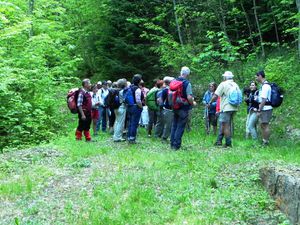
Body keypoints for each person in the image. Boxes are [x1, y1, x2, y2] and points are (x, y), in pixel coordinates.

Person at [208, 71, 240, 147]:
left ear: (225, 77)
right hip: (234, 107)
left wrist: (210, 102)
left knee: (226, 125)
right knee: (223, 124)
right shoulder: (235, 84)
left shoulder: (223, 84)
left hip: (226, 107)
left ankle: (228, 143)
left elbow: (216, 95)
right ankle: (219, 141)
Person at [170, 66, 196, 150]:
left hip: (174, 106)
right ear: (187, 74)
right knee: (180, 126)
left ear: (181, 72)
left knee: (174, 125)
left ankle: (172, 143)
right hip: (183, 107)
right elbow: (189, 97)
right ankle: (176, 145)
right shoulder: (187, 83)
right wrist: (193, 103)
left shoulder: (174, 81)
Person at [255, 71, 273, 145]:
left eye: (256, 76)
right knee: (263, 125)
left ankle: (266, 142)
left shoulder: (265, 86)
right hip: (264, 108)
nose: (256, 78)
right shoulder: (263, 85)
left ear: (260, 76)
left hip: (266, 108)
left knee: (265, 125)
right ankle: (264, 140)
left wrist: (259, 110)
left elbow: (264, 99)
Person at [127, 74, 144, 144]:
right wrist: (141, 107)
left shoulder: (130, 87)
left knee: (130, 122)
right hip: (135, 107)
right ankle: (132, 138)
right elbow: (138, 100)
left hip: (129, 106)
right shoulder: (137, 89)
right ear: (139, 81)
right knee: (135, 123)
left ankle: (129, 137)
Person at [158, 76, 174, 142]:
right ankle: (164, 138)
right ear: (169, 83)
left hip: (172, 109)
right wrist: (162, 107)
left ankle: (171, 137)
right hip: (168, 110)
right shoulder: (165, 90)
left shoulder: (172, 90)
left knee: (172, 124)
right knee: (168, 125)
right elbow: (161, 100)